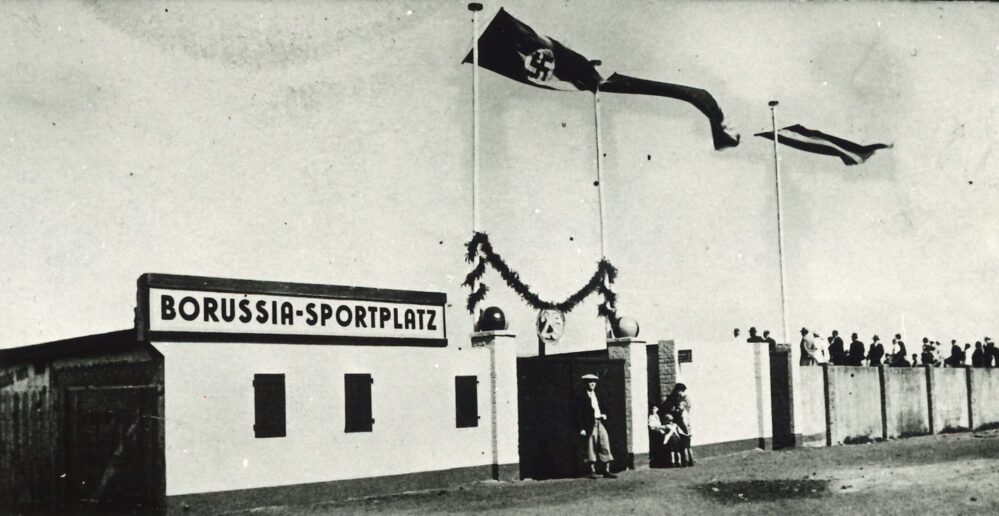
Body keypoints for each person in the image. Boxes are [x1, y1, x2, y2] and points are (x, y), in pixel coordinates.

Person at [575, 373, 616, 479]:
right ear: (585, 383)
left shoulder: (598, 394)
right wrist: (582, 428)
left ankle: (606, 469)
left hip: (600, 422)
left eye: (594, 381)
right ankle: (591, 470)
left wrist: (604, 414)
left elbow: (604, 406)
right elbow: (578, 413)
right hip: (590, 423)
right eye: (590, 381)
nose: (592, 383)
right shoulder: (581, 396)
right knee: (591, 445)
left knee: (605, 443)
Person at [661, 383, 693, 467]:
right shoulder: (677, 399)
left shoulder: (684, 399)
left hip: (681, 421)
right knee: (682, 441)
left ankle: (687, 460)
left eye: (680, 391)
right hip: (679, 421)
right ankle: (685, 460)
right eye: (678, 391)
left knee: (684, 440)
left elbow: (683, 409)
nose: (679, 392)